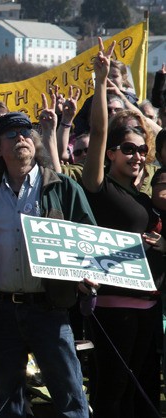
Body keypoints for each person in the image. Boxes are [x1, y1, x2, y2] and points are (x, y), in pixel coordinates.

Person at [0, 111, 94, 417]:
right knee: (8, 401)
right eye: (11, 134)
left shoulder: (63, 188)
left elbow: (89, 241)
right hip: (0, 311)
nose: (21, 138)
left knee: (70, 396)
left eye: (26, 133)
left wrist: (86, 274)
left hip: (49, 308)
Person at [82, 38, 165, 418]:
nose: (136, 156)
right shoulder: (100, 187)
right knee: (112, 392)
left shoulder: (146, 197)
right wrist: (100, 83)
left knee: (140, 392)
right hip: (114, 305)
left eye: (141, 150)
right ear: (112, 153)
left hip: (148, 304)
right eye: (128, 149)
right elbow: (98, 132)